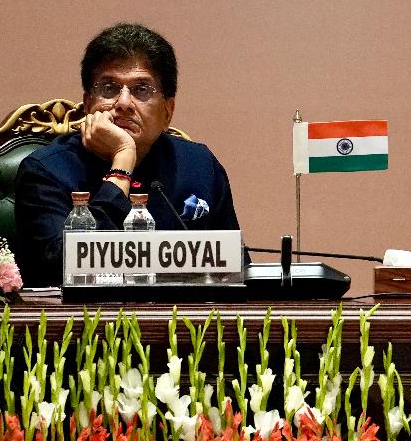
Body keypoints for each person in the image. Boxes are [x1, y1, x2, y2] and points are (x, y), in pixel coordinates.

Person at [14, 22, 243, 286]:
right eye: (109, 88)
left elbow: (235, 269)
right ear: (88, 104)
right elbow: (62, 271)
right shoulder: (45, 172)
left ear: (168, 111)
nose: (123, 103)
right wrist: (122, 162)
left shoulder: (199, 165)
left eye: (141, 89)